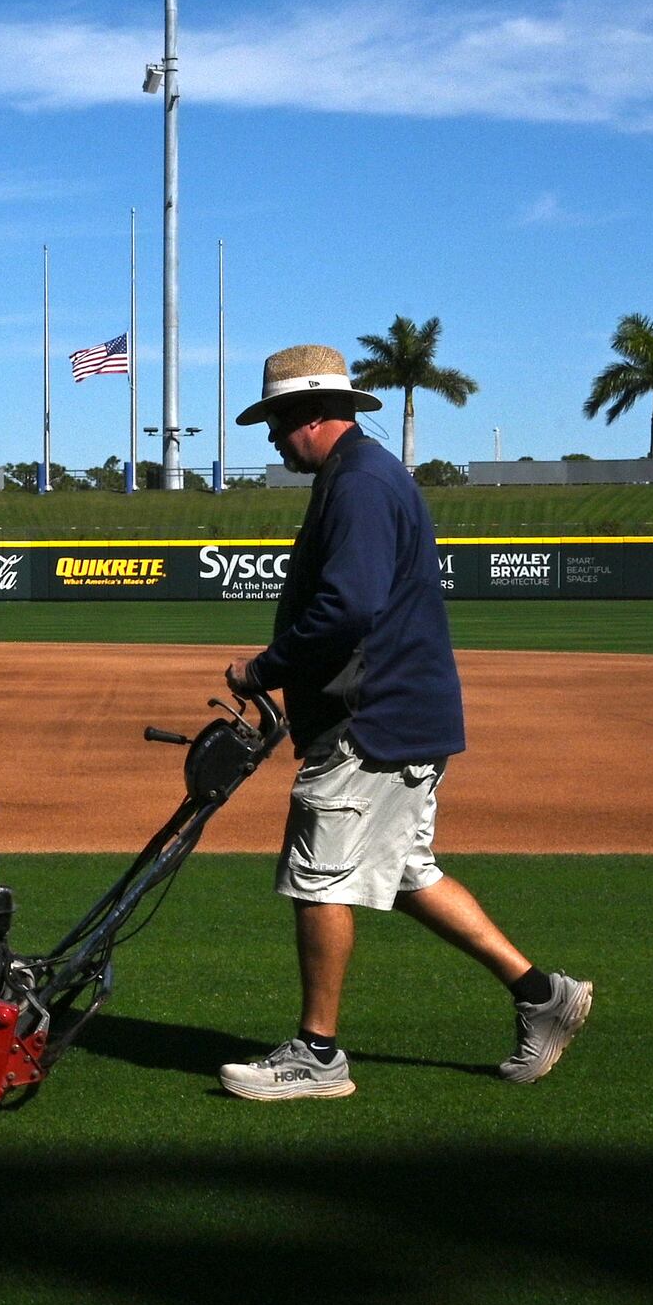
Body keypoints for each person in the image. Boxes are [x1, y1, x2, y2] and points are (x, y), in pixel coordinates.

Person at [213, 343, 591, 1101]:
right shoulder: (363, 475)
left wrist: (266, 668)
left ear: (313, 415)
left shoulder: (358, 483)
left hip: (372, 720)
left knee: (321, 875)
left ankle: (316, 1056)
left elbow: (348, 606)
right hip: (396, 712)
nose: (272, 438)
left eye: (278, 421)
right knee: (408, 872)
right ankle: (542, 995)